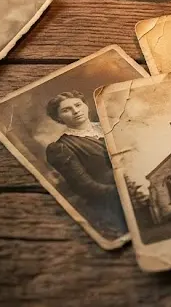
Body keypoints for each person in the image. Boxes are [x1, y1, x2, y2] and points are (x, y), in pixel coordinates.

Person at [43, 91, 124, 234]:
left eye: (78, 105)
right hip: (112, 202)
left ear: (86, 106)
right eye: (66, 110)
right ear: (58, 118)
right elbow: (85, 186)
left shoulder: (111, 125)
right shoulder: (61, 148)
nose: (75, 111)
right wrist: (123, 191)